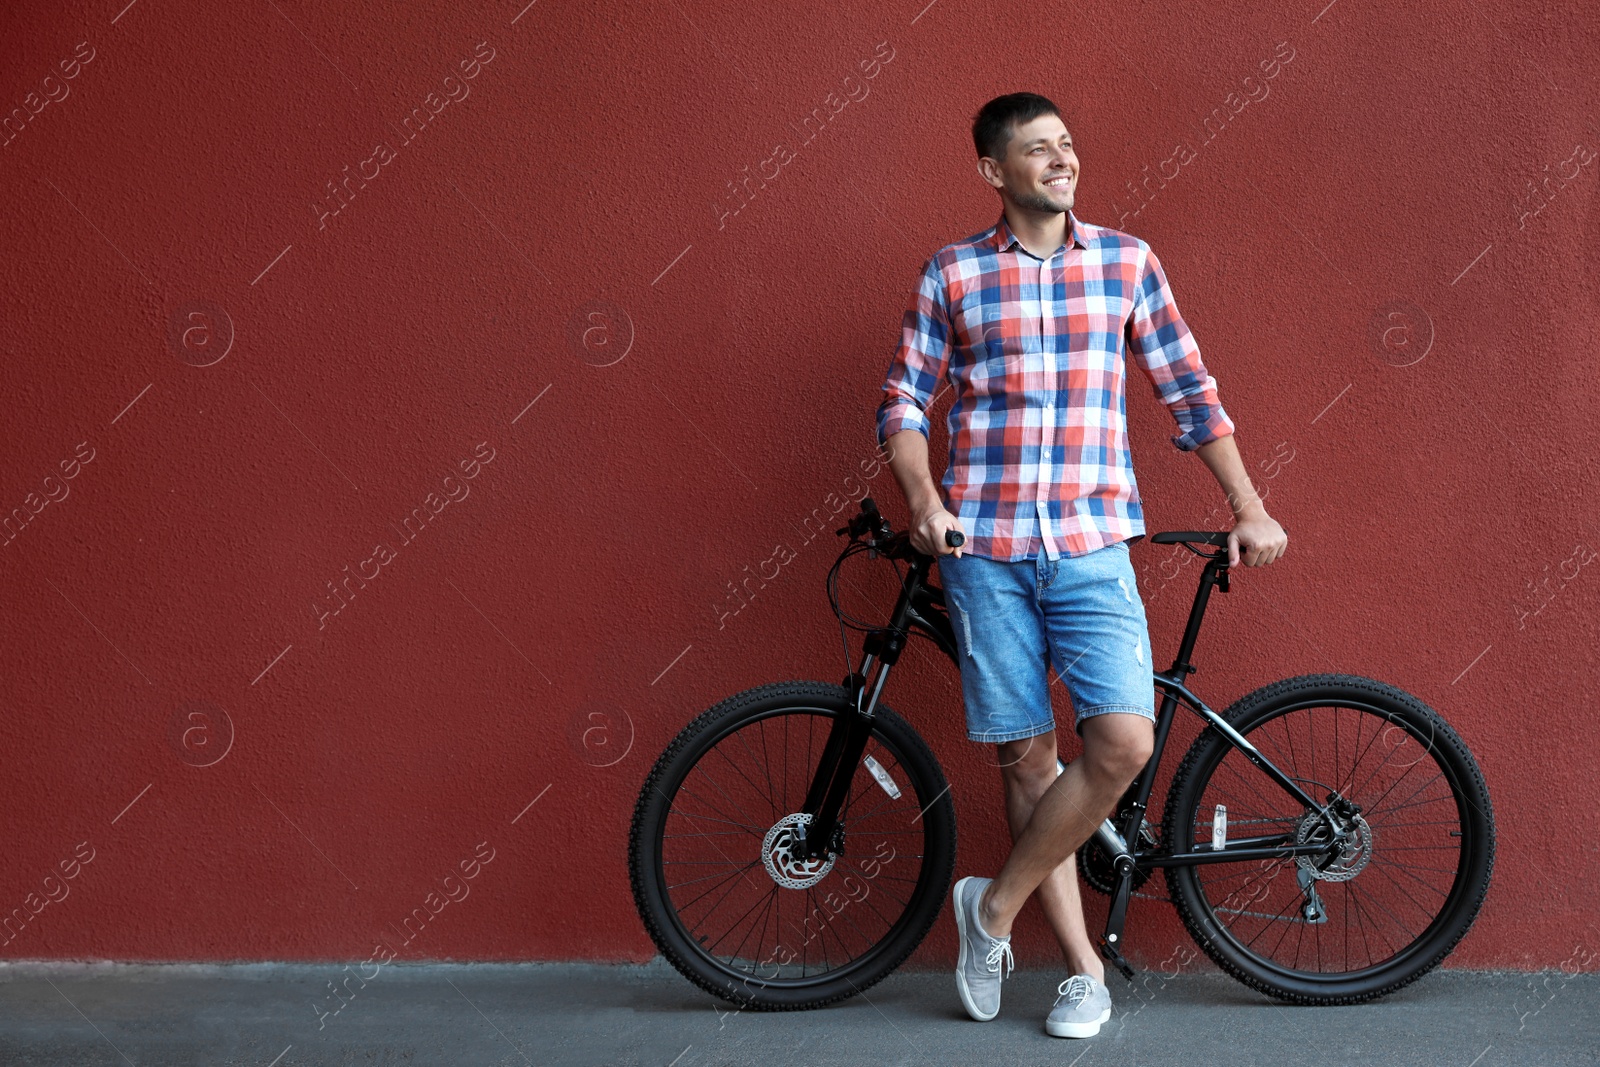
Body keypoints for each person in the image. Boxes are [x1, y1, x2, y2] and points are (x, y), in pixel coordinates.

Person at [873, 92, 1288, 1039]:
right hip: (985, 549)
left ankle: (991, 907)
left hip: (1094, 545)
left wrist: (1249, 506)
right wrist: (924, 501)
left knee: (1124, 746)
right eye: (1036, 149)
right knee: (1026, 754)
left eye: (1066, 145)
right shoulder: (955, 273)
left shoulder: (1127, 263)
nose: (1061, 159)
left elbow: (1189, 389)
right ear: (993, 171)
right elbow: (902, 400)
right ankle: (1084, 974)